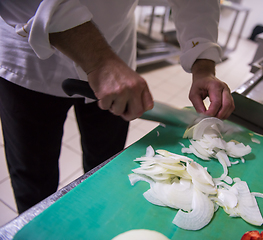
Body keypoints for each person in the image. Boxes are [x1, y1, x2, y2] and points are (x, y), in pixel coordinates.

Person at [0, 0, 235, 214]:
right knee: (34, 182)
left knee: (105, 167)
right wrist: (99, 61)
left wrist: (203, 66)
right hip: (28, 58)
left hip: (114, 47)